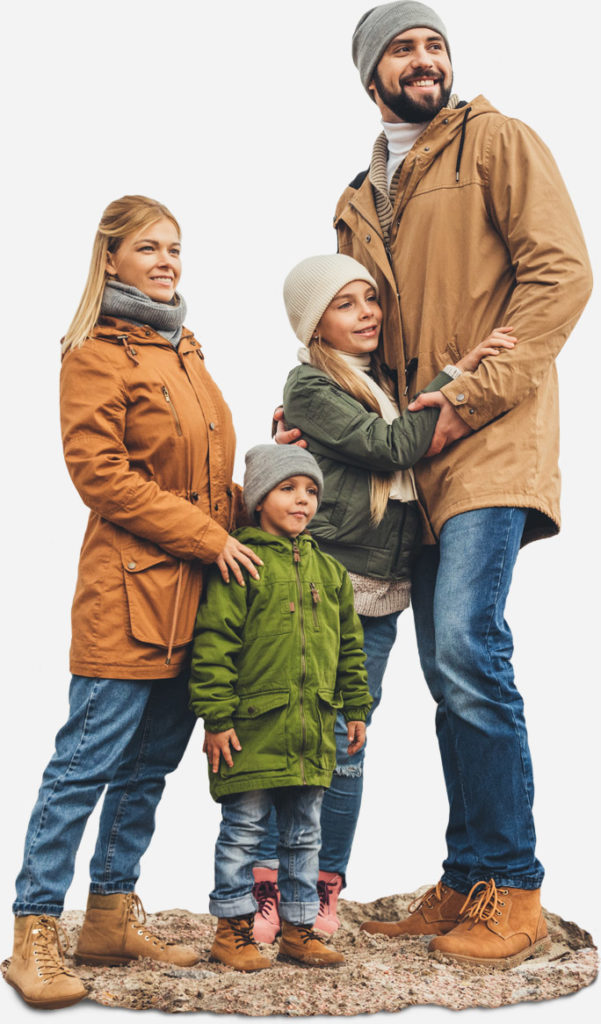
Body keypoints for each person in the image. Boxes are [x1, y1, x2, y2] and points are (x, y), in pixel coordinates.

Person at [329, 0, 592, 969]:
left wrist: (465, 395)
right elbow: (353, 333)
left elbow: (561, 274)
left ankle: (514, 885)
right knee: (447, 671)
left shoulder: (498, 141)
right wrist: (323, 408)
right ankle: (468, 872)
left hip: (488, 436)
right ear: (372, 75)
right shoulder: (357, 197)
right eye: (403, 47)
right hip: (405, 458)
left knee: (467, 646)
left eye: (434, 43)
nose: (425, 57)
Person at [5, 195, 261, 1010]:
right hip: (128, 594)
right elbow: (103, 478)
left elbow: (202, 482)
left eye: (175, 249)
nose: (166, 261)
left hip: (198, 598)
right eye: (148, 247)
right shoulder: (93, 354)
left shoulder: (183, 350)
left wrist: (259, 488)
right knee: (83, 766)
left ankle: (110, 916)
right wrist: (209, 535)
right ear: (109, 257)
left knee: (149, 765)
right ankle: (32, 931)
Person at [260, 253, 516, 942]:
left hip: (376, 600)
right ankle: (262, 890)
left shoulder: (372, 383)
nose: (367, 312)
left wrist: (443, 379)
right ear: (315, 323)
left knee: (346, 744)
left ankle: (319, 892)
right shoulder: (311, 387)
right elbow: (395, 444)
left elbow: (392, 428)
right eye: (345, 304)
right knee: (296, 738)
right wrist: (460, 380)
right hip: (328, 589)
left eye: (369, 297)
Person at [188, 444, 372, 970]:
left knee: (304, 836)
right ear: (260, 498)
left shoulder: (331, 573)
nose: (303, 500)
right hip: (251, 730)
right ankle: (232, 930)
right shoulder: (240, 562)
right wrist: (217, 718)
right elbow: (214, 643)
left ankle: (298, 929)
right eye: (288, 488)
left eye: (311, 491)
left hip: (310, 728)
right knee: (244, 832)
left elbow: (350, 646)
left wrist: (356, 705)